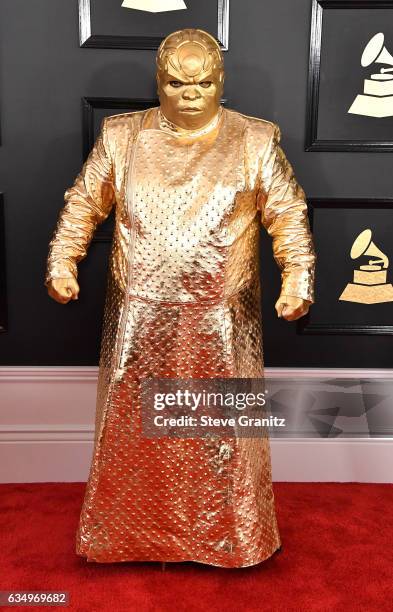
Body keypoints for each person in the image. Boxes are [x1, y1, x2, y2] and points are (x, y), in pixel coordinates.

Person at [45, 28, 316, 568]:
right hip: (137, 313)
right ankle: (130, 537)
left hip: (222, 314)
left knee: (222, 433)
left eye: (203, 82)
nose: (190, 93)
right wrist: (61, 259)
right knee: (133, 430)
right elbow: (82, 204)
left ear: (221, 80)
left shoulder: (254, 140)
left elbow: (287, 214)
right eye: (176, 82)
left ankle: (230, 539)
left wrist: (298, 279)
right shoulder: (122, 138)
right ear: (158, 82)